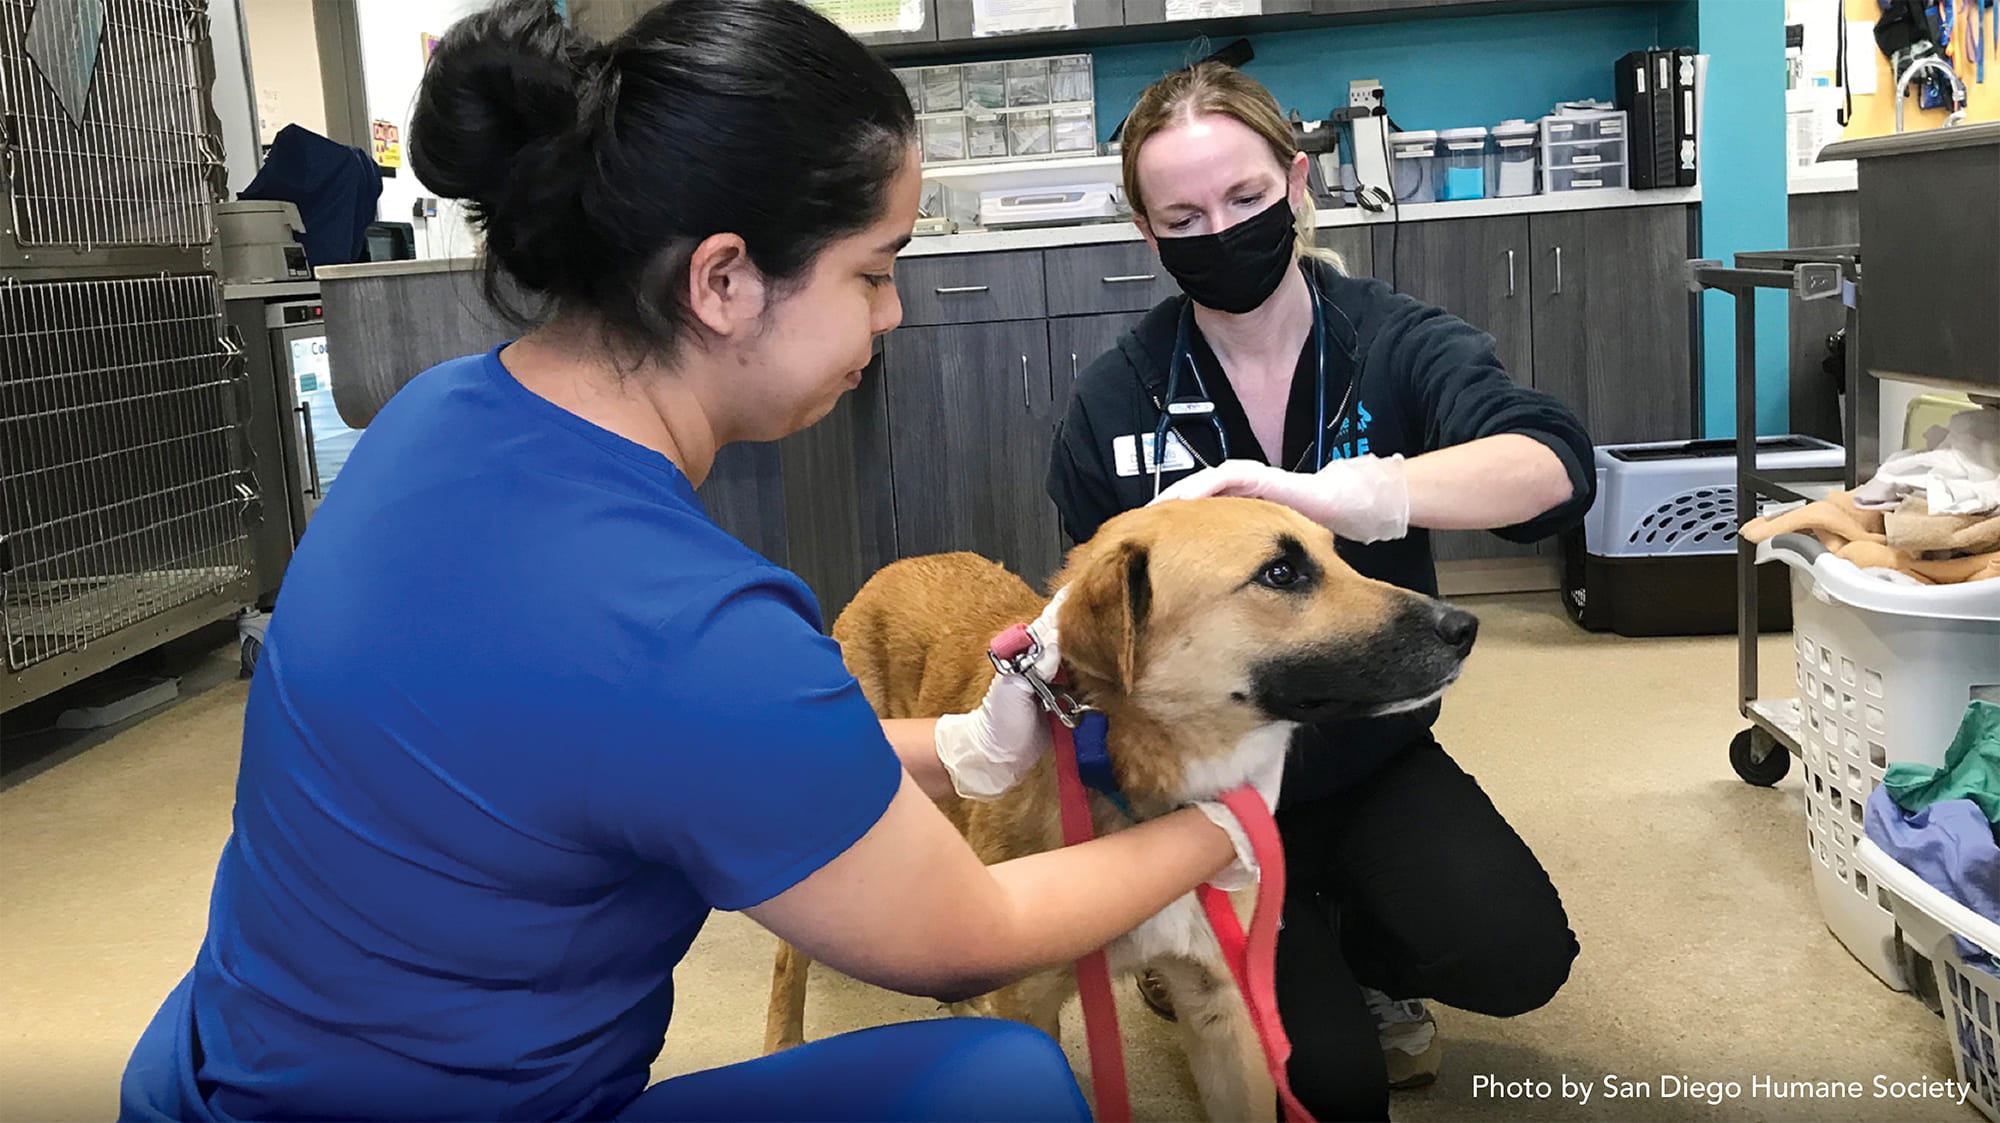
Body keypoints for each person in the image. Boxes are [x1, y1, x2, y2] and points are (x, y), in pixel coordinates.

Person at [117, 5, 1284, 1120]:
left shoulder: (430, 419)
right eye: (873, 272)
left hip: (215, 1067)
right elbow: (958, 934)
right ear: (722, 281)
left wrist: (971, 745)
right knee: (1004, 1082)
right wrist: (1219, 824)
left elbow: (640, 748)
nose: (889, 316)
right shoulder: (688, 628)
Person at [1046, 63, 1591, 1121]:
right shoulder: (1116, 396)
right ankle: (1215, 955)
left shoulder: (1388, 339)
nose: (1220, 229)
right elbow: (1100, 636)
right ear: (1148, 237)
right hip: (1207, 789)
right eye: (1183, 216)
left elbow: (1554, 468)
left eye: (1246, 198)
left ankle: (1340, 936)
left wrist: (1360, 493)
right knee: (1328, 1088)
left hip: (1365, 754)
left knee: (1516, 955)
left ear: (1297, 184)